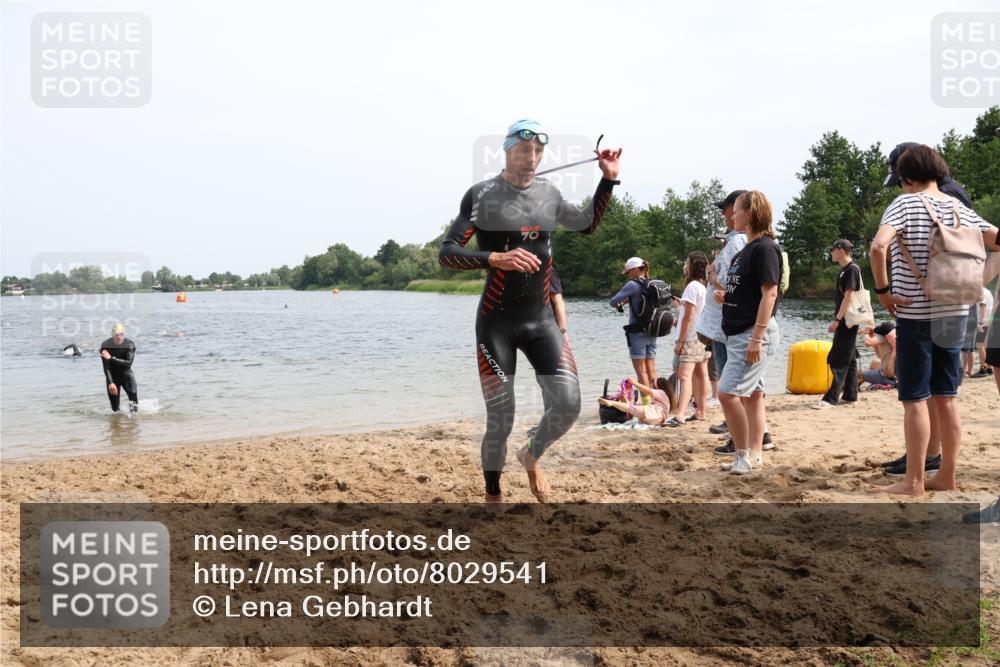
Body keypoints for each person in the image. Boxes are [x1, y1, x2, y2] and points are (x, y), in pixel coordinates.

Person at [439, 118, 622, 503]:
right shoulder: (482, 196)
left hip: (541, 322)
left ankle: (531, 455)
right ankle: (493, 495)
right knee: (502, 416)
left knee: (569, 404)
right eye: (524, 150)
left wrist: (607, 180)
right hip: (497, 325)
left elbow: (586, 225)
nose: (532, 158)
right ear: (507, 151)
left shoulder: (549, 193)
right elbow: (448, 253)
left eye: (538, 151)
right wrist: (494, 258)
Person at [869, 144, 997, 496]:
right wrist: (979, 279)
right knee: (946, 397)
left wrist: (883, 290)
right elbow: (997, 241)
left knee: (914, 399)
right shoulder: (960, 208)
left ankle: (914, 481)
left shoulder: (904, 204)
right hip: (956, 313)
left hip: (916, 314)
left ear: (907, 177)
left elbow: (878, 247)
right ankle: (948, 477)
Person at [714, 191, 783, 475]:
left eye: (737, 210)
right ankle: (754, 454)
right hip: (738, 332)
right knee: (752, 396)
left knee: (727, 393)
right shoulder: (744, 251)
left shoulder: (765, 248)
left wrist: (757, 337)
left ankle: (742, 454)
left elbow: (770, 294)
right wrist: (726, 296)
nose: (732, 215)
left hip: (753, 334)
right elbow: (748, 292)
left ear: (751, 214)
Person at [697, 190, 747, 437]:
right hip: (724, 320)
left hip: (726, 321)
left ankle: (735, 430)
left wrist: (712, 277)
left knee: (730, 380)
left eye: (727, 208)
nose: (725, 214)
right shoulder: (737, 239)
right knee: (731, 379)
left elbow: (732, 281)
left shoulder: (738, 240)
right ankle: (734, 426)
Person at [815, 240, 862, 409]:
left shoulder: (852, 269)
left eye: (833, 249)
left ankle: (831, 398)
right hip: (846, 318)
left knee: (840, 356)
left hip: (847, 319)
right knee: (848, 356)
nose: (831, 252)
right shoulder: (845, 270)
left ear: (841, 250)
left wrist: (837, 319)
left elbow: (849, 297)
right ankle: (851, 394)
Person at [666, 251, 710, 427]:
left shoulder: (692, 287)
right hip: (701, 337)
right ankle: (700, 411)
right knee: (700, 375)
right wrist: (680, 307)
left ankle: (681, 414)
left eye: (687, 262)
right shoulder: (703, 286)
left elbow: (688, 317)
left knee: (684, 377)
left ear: (693, 265)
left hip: (690, 338)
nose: (685, 266)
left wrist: (680, 341)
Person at [609, 257, 658, 398]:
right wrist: (630, 299)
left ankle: (647, 404)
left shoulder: (632, 285)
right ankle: (658, 401)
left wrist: (625, 299)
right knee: (652, 371)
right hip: (652, 330)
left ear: (636, 270)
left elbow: (613, 302)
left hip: (637, 333)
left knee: (641, 372)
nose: (628, 275)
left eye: (629, 272)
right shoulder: (651, 283)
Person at [598, 377, 674, 426]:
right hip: (659, 417)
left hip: (655, 413)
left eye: (653, 386)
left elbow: (647, 390)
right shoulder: (664, 396)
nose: (652, 388)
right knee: (636, 411)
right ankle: (649, 421)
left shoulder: (661, 392)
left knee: (631, 408)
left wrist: (634, 383)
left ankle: (612, 403)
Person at [100, 323, 138, 413]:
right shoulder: (105, 345)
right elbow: (106, 367)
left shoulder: (129, 344)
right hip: (113, 377)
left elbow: (128, 363)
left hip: (127, 376)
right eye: (117, 335)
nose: (119, 337)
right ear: (112, 335)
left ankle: (133, 425)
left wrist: (111, 358)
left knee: (134, 408)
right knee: (115, 410)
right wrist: (110, 382)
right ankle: (116, 426)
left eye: (121, 334)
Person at [860, 322, 897, 388]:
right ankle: (869, 378)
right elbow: (879, 355)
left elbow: (868, 343)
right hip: (895, 374)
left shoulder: (881, 337)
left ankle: (851, 388)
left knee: (858, 375)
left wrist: (866, 333)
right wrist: (871, 335)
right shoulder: (894, 338)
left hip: (888, 377)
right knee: (874, 363)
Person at [972, 285, 994, 378]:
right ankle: (989, 368)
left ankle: (983, 368)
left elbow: (983, 306)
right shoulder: (988, 291)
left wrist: (980, 322)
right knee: (985, 346)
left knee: (979, 345)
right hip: (989, 320)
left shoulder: (981, 292)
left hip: (983, 322)